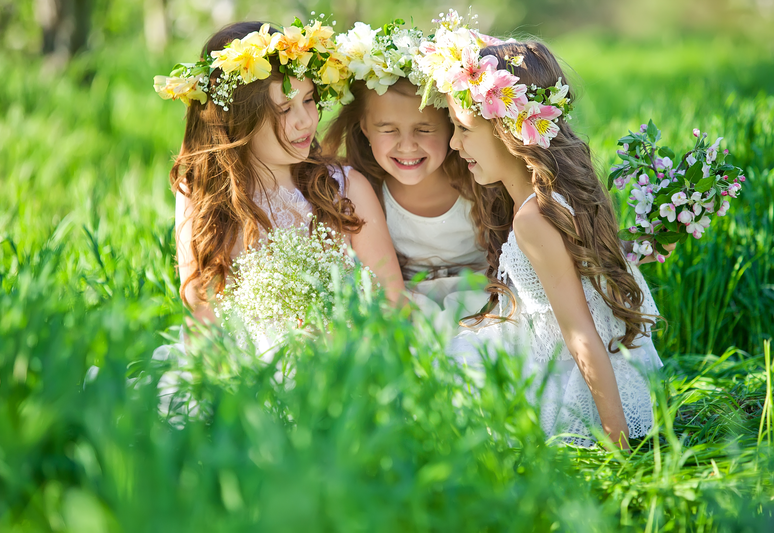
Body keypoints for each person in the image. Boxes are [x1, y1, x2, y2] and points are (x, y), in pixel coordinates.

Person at [419, 22, 662, 447]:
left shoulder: (534, 218)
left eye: (463, 129)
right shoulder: (555, 195)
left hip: (563, 375)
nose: (455, 145)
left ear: (508, 131)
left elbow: (580, 331)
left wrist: (617, 442)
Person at [154, 20, 404, 336]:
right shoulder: (199, 194)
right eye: (284, 110)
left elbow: (392, 302)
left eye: (309, 100)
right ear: (238, 121)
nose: (305, 121)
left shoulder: (347, 189)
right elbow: (202, 313)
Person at [323, 21, 499, 334]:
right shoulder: (361, 190)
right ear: (364, 127)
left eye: (424, 130)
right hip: (408, 311)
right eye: (388, 130)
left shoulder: (482, 178)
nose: (407, 146)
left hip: (486, 306)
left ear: (451, 125)